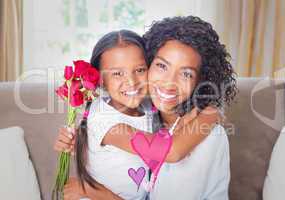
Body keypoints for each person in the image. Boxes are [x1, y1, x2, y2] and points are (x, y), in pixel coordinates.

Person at [54, 27, 220, 199]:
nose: (132, 82)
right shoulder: (107, 121)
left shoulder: (147, 106)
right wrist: (210, 115)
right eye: (118, 73)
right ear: (101, 81)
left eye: (140, 70)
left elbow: (176, 128)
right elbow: (171, 152)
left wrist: (195, 115)